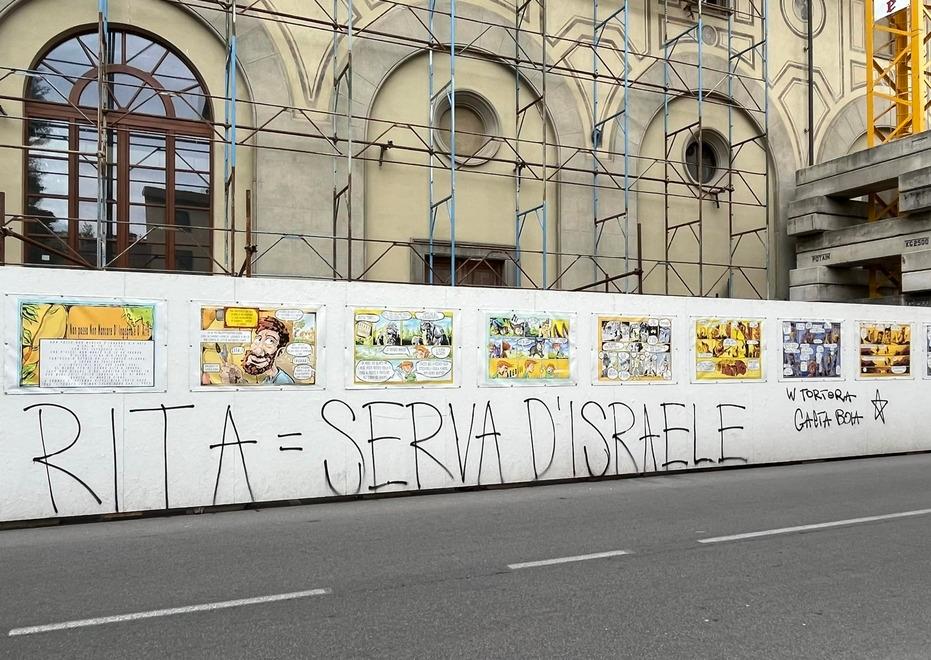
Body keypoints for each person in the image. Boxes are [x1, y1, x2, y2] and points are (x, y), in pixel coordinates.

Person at [240, 316, 295, 384]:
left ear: (280, 352)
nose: (258, 350)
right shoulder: (268, 379)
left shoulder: (283, 382)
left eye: (270, 341)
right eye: (258, 339)